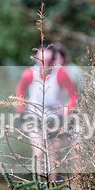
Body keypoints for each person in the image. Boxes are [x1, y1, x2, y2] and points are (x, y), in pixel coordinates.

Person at [15, 42, 79, 181]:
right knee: (38, 152)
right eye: (41, 61)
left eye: (48, 61)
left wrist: (67, 111)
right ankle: (39, 189)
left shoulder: (61, 74)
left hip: (54, 119)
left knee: (52, 154)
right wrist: (21, 109)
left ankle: (51, 189)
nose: (44, 65)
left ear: (54, 60)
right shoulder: (30, 74)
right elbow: (20, 90)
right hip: (35, 117)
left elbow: (74, 95)